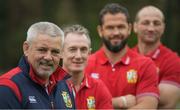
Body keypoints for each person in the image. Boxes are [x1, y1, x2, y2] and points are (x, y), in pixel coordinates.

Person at [85, 3, 159, 109]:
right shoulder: (85, 64)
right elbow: (78, 103)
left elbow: (148, 106)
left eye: (121, 27)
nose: (116, 32)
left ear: (129, 28)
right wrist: (119, 102)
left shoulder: (145, 64)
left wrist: (98, 103)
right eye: (110, 27)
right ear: (100, 31)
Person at [0, 22, 75, 109]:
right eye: (42, 50)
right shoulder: (8, 86)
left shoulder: (65, 86)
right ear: (26, 48)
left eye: (55, 52)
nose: (48, 57)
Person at [132, 5, 180, 108]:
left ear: (163, 28)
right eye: (145, 23)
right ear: (135, 27)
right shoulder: (125, 57)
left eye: (156, 23)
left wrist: (122, 99)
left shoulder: (173, 61)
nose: (151, 28)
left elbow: (166, 101)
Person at [62, 24, 113, 109]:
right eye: (72, 49)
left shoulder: (98, 87)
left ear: (89, 54)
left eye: (83, 50)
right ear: (61, 52)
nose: (78, 56)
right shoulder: (50, 86)